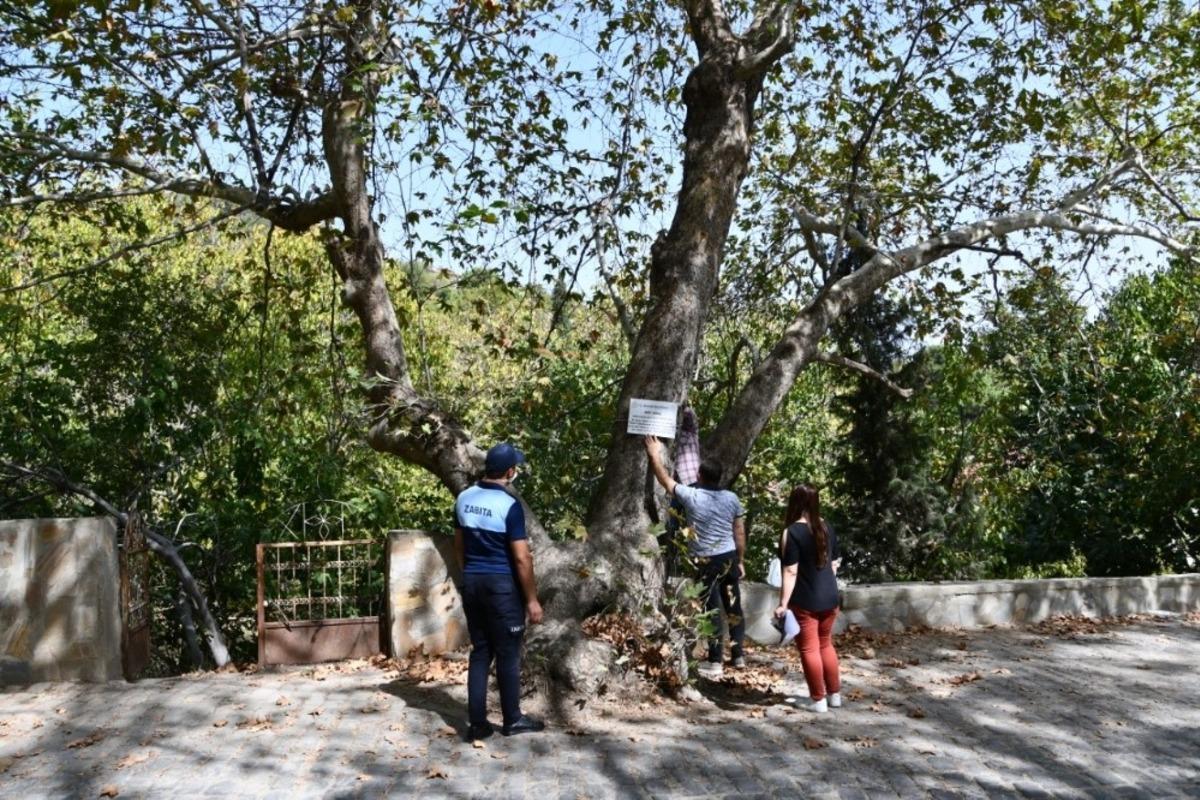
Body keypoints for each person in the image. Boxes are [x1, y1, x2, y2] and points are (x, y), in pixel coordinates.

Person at [453, 442, 545, 740]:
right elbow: (521, 557)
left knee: (481, 652)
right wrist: (531, 600)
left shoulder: (464, 498)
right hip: (501, 587)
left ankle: (477, 724)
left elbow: (459, 544)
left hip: (473, 582)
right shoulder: (509, 505)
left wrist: (467, 575)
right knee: (507, 654)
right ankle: (512, 719)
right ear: (509, 471)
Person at [644, 434, 747, 678]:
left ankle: (715, 660)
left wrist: (653, 454)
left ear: (699, 476)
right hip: (729, 558)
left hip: (705, 562)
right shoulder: (731, 499)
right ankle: (739, 654)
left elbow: (664, 480)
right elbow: (739, 531)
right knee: (733, 605)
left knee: (711, 608)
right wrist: (740, 560)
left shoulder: (693, 496)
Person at [775, 484, 842, 713]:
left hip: (806, 601)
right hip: (831, 598)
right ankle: (835, 696)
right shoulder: (827, 528)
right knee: (826, 644)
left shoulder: (791, 532)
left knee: (810, 649)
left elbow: (790, 571)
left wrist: (783, 604)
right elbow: (834, 565)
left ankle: (818, 700)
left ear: (794, 502)